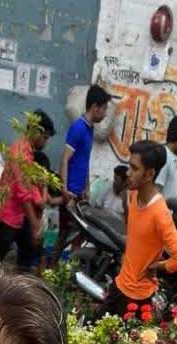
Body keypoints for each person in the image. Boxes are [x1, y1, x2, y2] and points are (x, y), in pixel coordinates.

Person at [99, 140, 177, 318]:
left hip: (137, 299)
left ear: (149, 174)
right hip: (120, 284)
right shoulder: (133, 193)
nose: (128, 173)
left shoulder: (160, 214)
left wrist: (157, 266)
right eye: (129, 166)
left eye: (134, 168)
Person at [0, 110, 53, 271]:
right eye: (45, 137)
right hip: (8, 214)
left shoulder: (27, 152)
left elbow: (29, 187)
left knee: (27, 253)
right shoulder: (20, 152)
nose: (45, 143)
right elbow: (23, 191)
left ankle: (20, 287)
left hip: (19, 214)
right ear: (37, 133)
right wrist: (34, 223)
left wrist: (39, 201)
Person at [57, 84, 110, 254]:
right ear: (94, 107)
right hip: (70, 192)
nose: (106, 113)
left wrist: (86, 187)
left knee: (78, 235)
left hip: (79, 193)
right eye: (104, 109)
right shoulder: (78, 128)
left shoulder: (89, 129)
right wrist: (64, 189)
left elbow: (84, 160)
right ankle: (50, 269)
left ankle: (67, 269)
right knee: (63, 235)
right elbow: (65, 159)